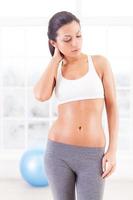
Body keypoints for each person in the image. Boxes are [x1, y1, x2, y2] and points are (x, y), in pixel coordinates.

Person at [33, 11, 119, 200]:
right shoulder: (56, 70)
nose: (75, 43)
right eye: (67, 39)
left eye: (79, 35)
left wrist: (112, 151)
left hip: (92, 156)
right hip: (58, 154)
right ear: (54, 43)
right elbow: (40, 95)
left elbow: (112, 107)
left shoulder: (99, 63)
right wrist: (55, 60)